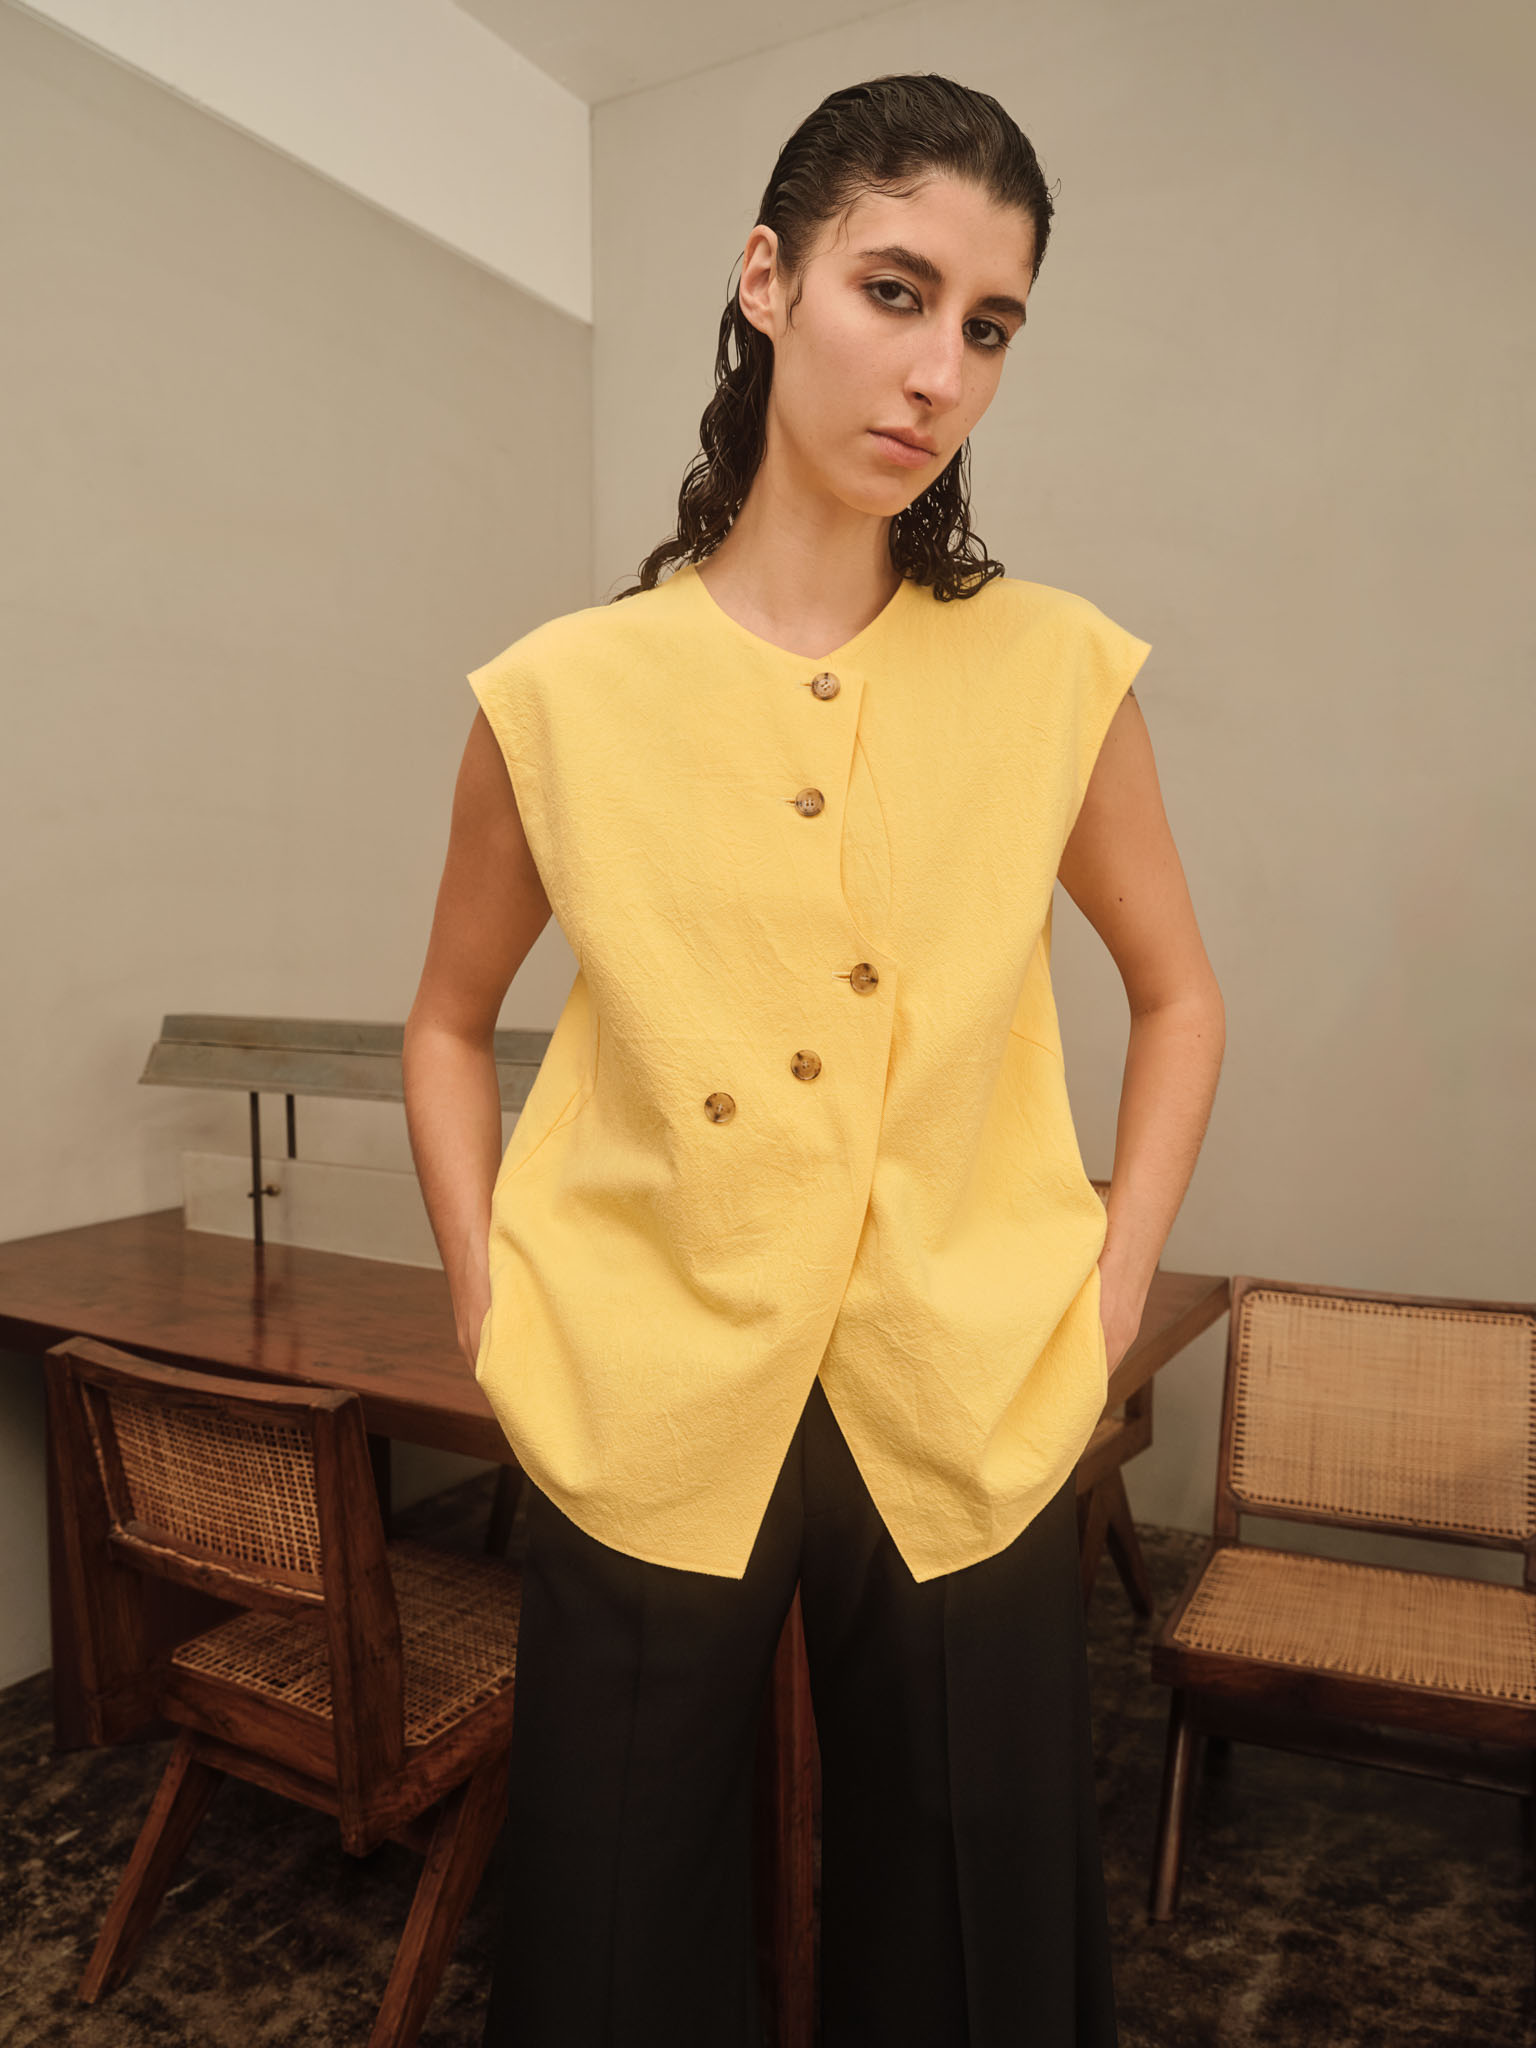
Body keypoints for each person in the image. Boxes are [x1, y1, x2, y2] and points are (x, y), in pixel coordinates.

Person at [403, 71, 1224, 2048]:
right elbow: (443, 1018)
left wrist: (1110, 1287)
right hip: (646, 1372)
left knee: (979, 1925)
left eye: (990, 326)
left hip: (963, 1377)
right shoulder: (562, 697)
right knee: (608, 1937)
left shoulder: (1055, 670)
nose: (940, 371)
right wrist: (489, 1294)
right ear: (767, 281)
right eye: (896, 289)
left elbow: (1181, 993)